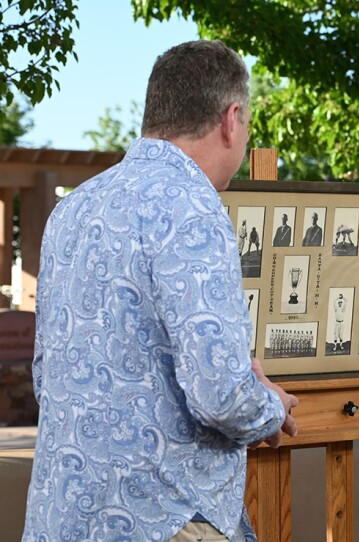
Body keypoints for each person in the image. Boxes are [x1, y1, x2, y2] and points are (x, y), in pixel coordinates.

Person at [22, 40, 299, 542]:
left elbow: (48, 377)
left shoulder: (73, 209)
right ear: (231, 119)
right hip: (165, 519)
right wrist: (269, 405)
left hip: (61, 517)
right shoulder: (193, 206)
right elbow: (221, 398)